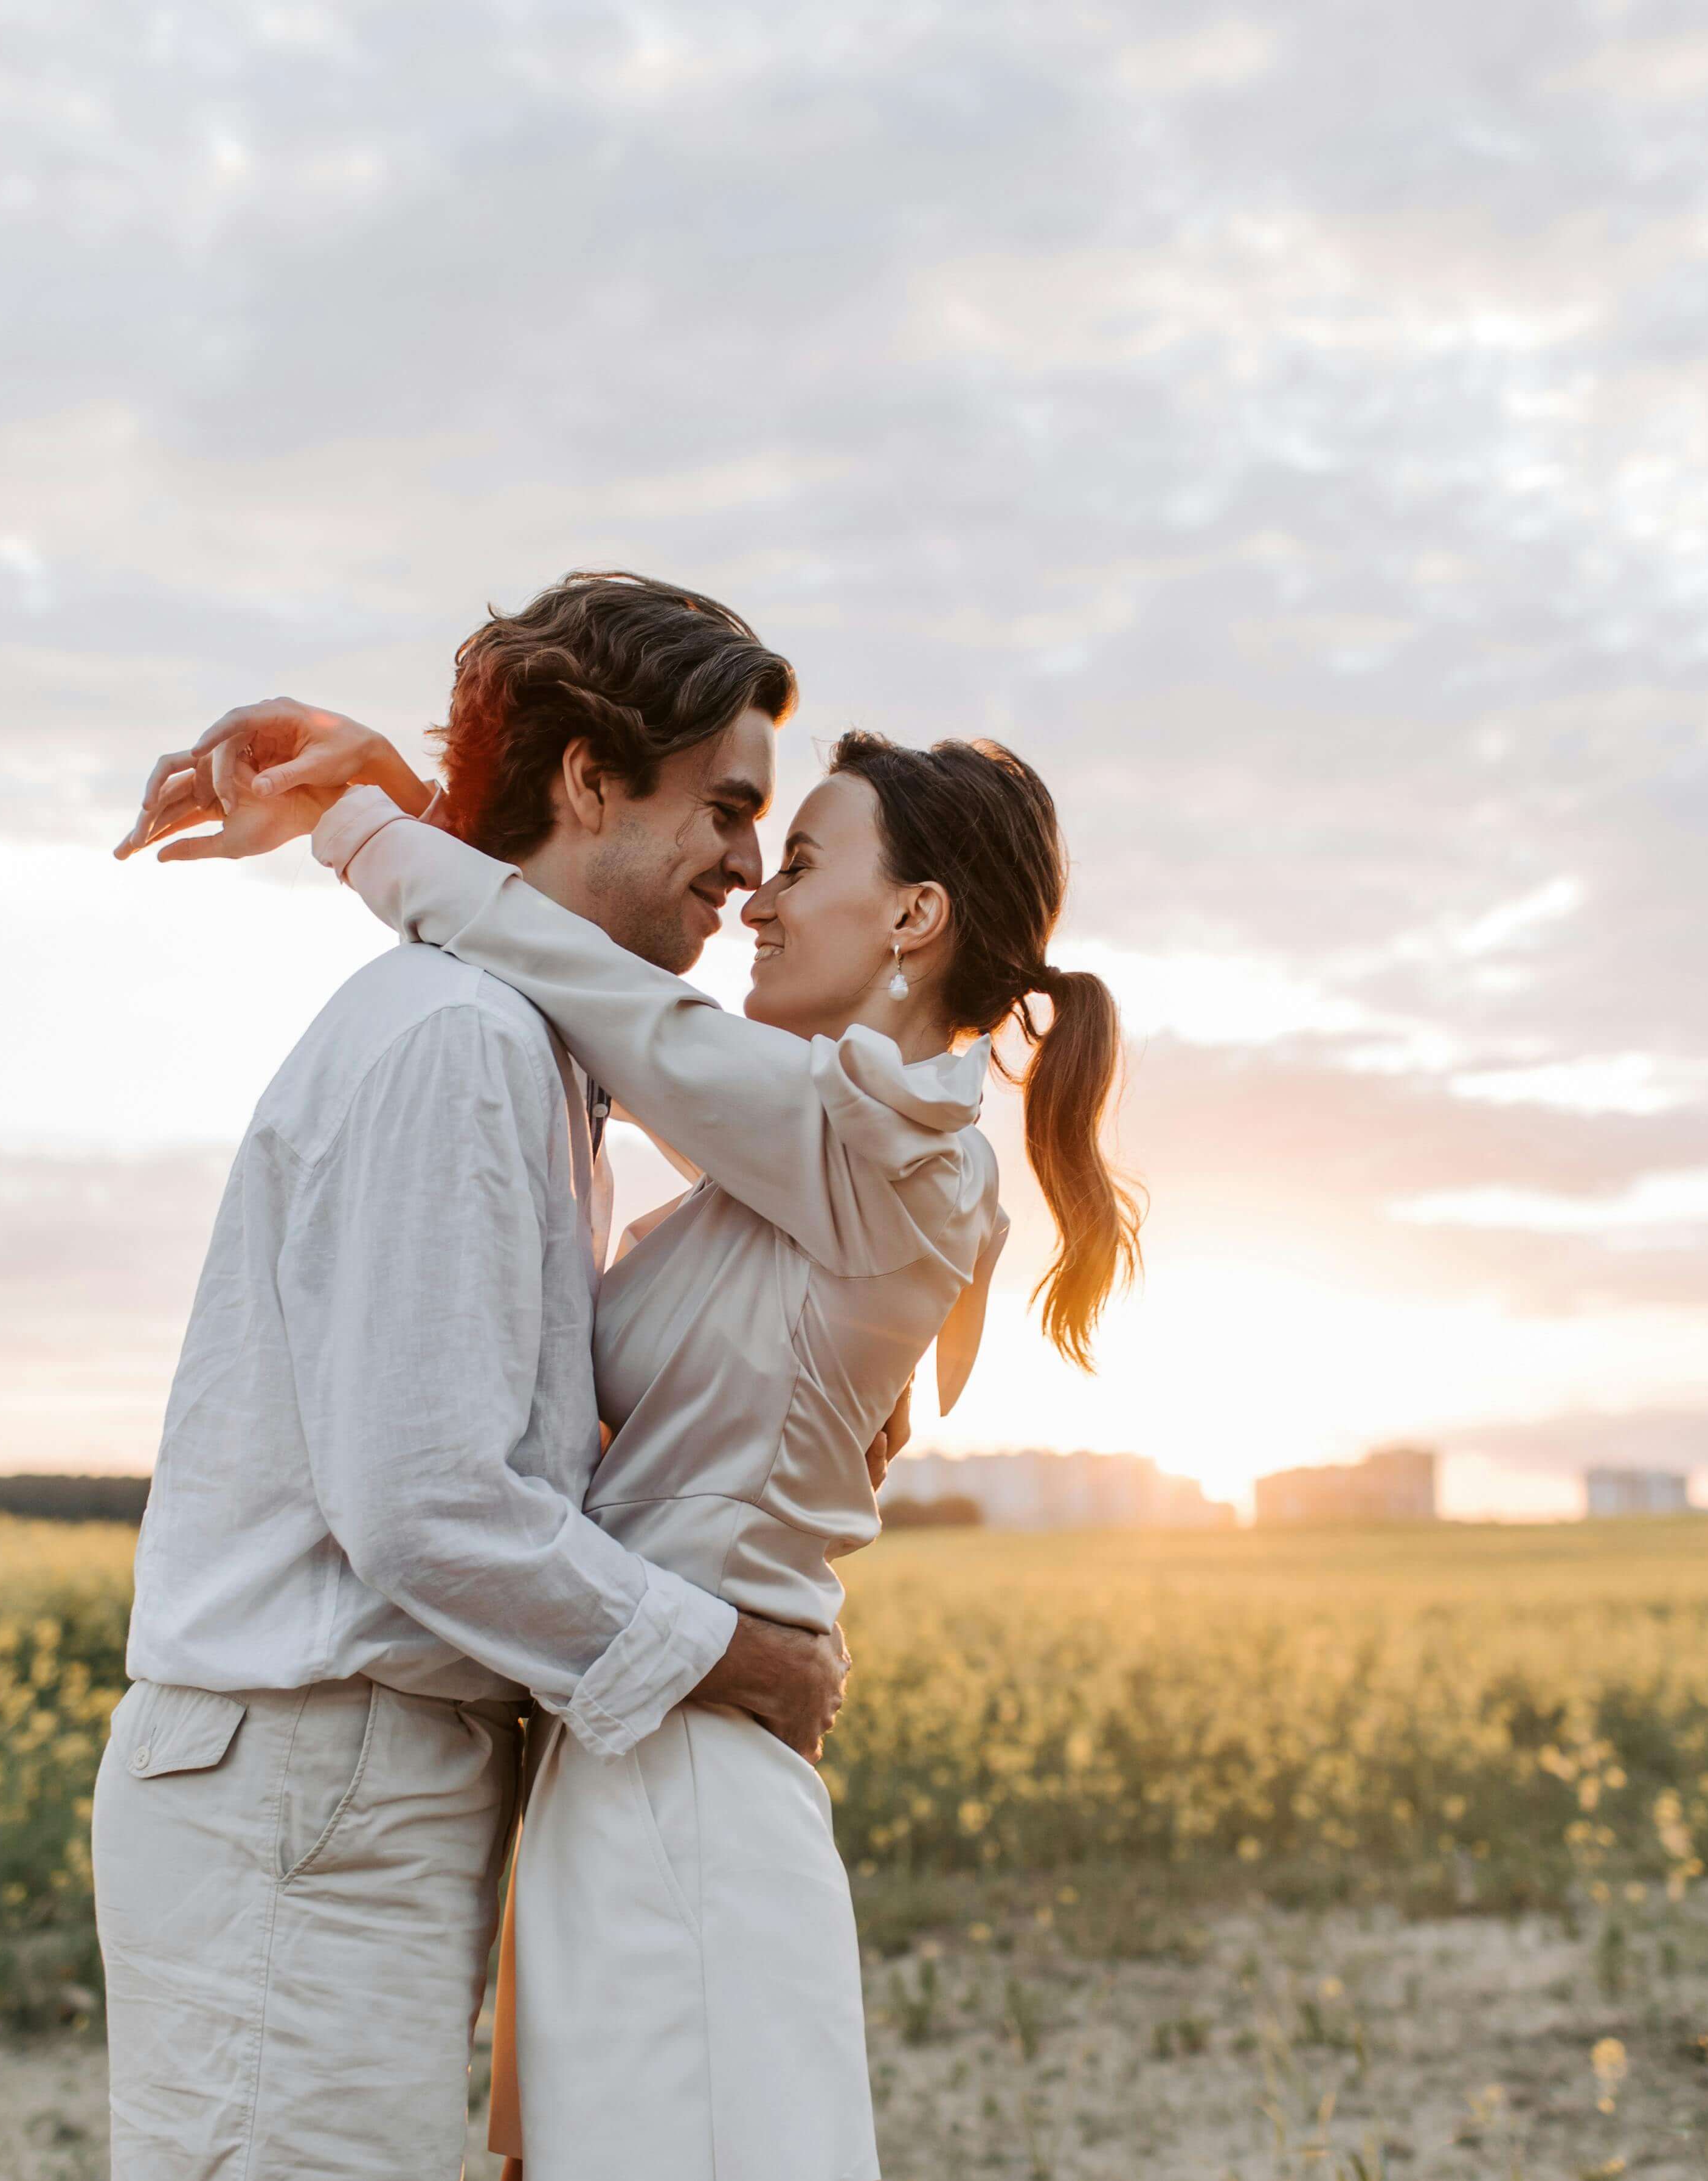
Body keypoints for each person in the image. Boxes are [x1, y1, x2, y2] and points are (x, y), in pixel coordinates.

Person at [127, 644, 1143, 2179]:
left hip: (683, 1750)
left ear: (915, 920)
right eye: (742, 828)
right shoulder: (772, 1169)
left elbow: (601, 994)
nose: (756, 889)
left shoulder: (892, 1146)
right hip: (619, 1737)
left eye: (797, 852)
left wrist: (366, 810)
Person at [90, 574, 856, 2181]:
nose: (742, 864)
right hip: (311, 1769)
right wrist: (739, 1660)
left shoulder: (523, 1044)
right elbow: (426, 1500)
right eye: (724, 807)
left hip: (350, 1777)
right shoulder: (461, 1041)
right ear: (586, 779)